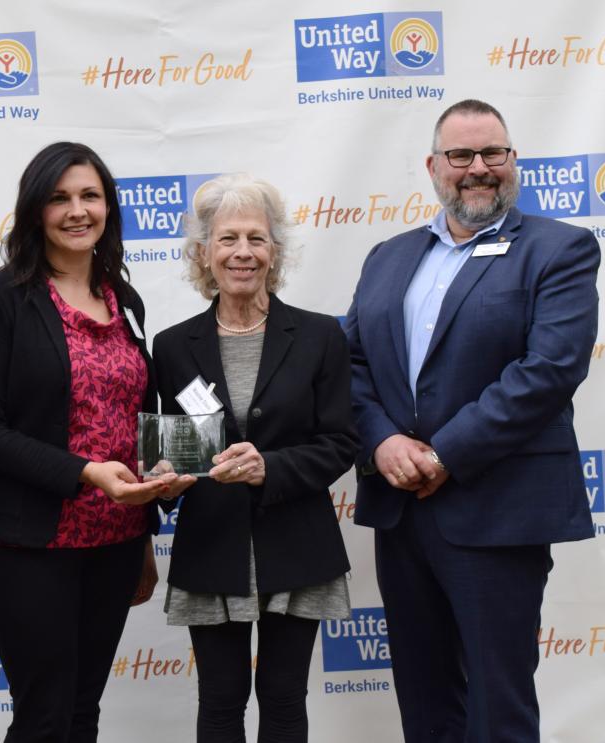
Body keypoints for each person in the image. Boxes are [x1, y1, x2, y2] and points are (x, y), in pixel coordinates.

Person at [344, 99, 600, 742]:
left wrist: (443, 454)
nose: (478, 168)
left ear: (514, 162)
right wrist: (381, 444)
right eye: (461, 155)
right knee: (425, 699)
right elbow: (349, 366)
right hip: (401, 512)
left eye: (494, 153)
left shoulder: (559, 249)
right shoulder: (387, 257)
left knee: (498, 701)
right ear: (434, 166)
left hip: (497, 509)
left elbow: (548, 370)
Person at [0, 142, 178, 742]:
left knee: (82, 711)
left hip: (114, 542)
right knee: (45, 715)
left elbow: (133, 414)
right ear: (35, 211)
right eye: (59, 198)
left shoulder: (122, 300)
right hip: (26, 542)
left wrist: (147, 525)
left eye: (90, 196)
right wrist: (85, 472)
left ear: (108, 207)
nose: (77, 211)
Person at [151, 173, 359, 742]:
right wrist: (166, 474)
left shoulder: (320, 337)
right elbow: (181, 447)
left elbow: (341, 441)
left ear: (275, 252)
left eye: (256, 239)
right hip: (211, 548)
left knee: (285, 698)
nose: (242, 252)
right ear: (204, 253)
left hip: (298, 545)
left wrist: (272, 468)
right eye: (227, 239)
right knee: (220, 701)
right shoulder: (171, 346)